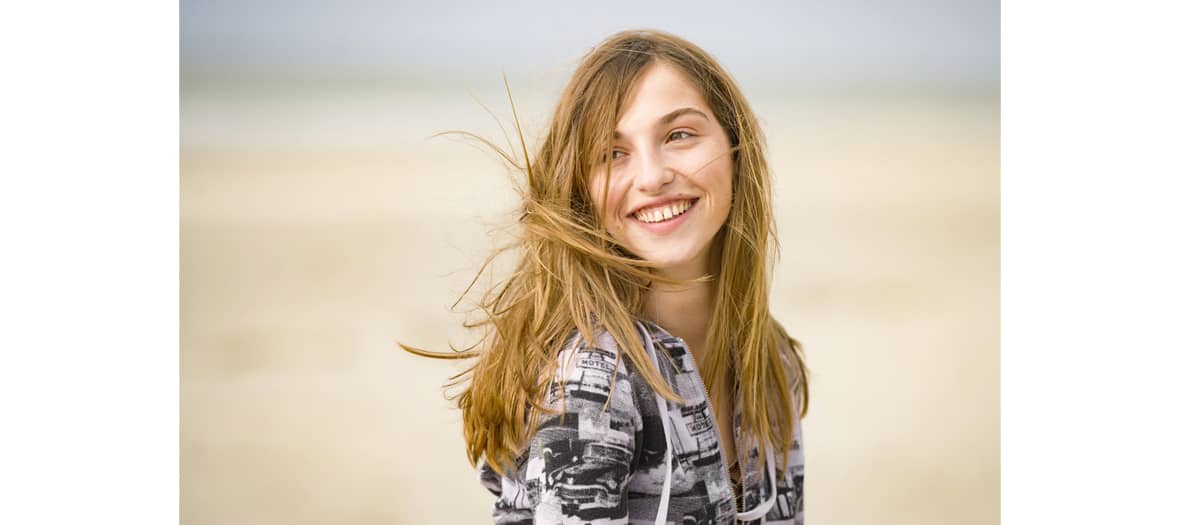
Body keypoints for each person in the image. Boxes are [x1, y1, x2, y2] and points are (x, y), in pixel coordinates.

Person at [402, 29, 810, 524]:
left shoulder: (770, 361)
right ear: (582, 193)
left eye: (679, 135)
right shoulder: (592, 382)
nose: (652, 176)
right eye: (612, 153)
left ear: (735, 148)